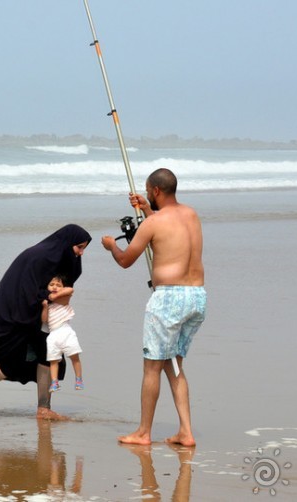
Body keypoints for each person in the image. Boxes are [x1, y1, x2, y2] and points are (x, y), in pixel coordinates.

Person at [101, 168, 206, 446]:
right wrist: (148, 209)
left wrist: (111, 246)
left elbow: (125, 261)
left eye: (148, 192)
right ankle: (186, 431)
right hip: (196, 296)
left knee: (152, 367)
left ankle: (144, 432)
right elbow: (168, 233)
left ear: (157, 190)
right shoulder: (192, 215)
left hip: (169, 299)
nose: (147, 195)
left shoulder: (153, 223)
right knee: (175, 365)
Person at [0, 224, 92, 420]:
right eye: (79, 247)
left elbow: (68, 280)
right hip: (20, 314)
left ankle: (43, 409)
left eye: (85, 248)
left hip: (41, 315)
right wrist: (52, 295)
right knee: (14, 360)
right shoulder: (39, 256)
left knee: (49, 356)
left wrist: (57, 294)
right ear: (68, 243)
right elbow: (25, 290)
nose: (81, 253)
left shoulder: (59, 258)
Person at [41, 274, 83, 393]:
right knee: (53, 361)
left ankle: (78, 379)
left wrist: (54, 296)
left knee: (74, 357)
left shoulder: (63, 298)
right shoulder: (46, 302)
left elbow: (70, 289)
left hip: (66, 331)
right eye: (52, 285)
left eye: (58, 285)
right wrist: (45, 307)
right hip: (53, 334)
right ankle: (54, 382)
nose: (55, 287)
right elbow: (44, 320)